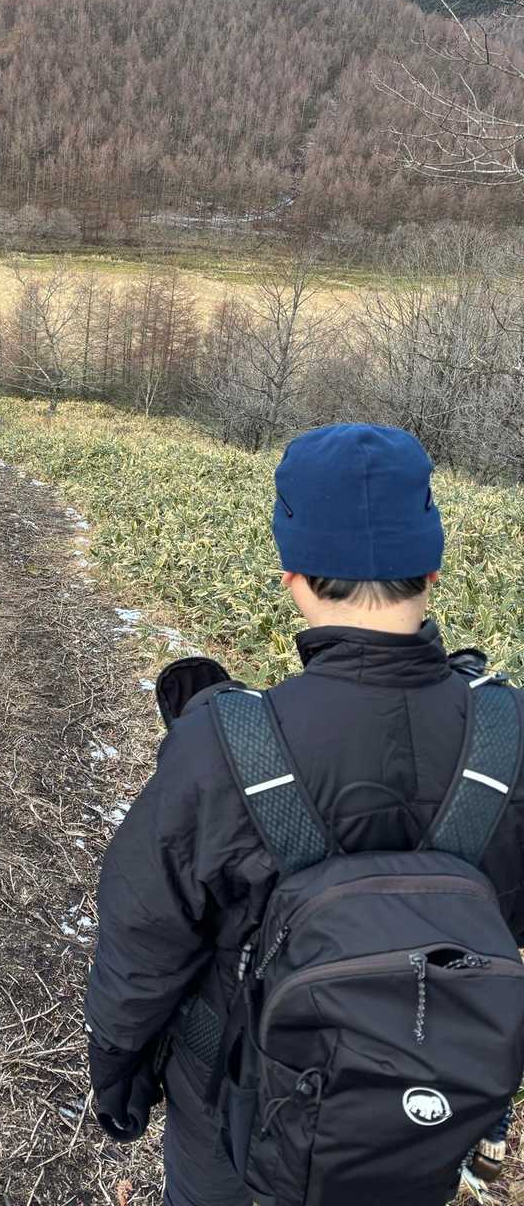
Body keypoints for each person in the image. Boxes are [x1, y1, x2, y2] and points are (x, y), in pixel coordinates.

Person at [85, 423, 524, 1206]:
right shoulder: (510, 734)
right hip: (422, 1106)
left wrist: (118, 1072)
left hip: (234, 1104)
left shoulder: (224, 745)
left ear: (291, 570)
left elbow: (143, 938)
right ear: (432, 564)